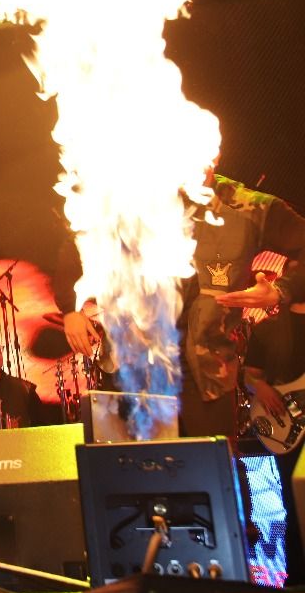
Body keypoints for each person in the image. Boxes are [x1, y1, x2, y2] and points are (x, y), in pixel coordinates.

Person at [63, 172, 305, 437]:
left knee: (208, 461)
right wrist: (70, 310)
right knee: (129, 462)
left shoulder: (249, 208)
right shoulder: (127, 194)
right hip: (131, 365)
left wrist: (282, 290)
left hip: (205, 375)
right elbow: (75, 246)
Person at [243, 293, 305, 586]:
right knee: (294, 504)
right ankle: (297, 581)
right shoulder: (269, 329)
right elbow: (249, 376)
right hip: (289, 426)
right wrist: (262, 387)